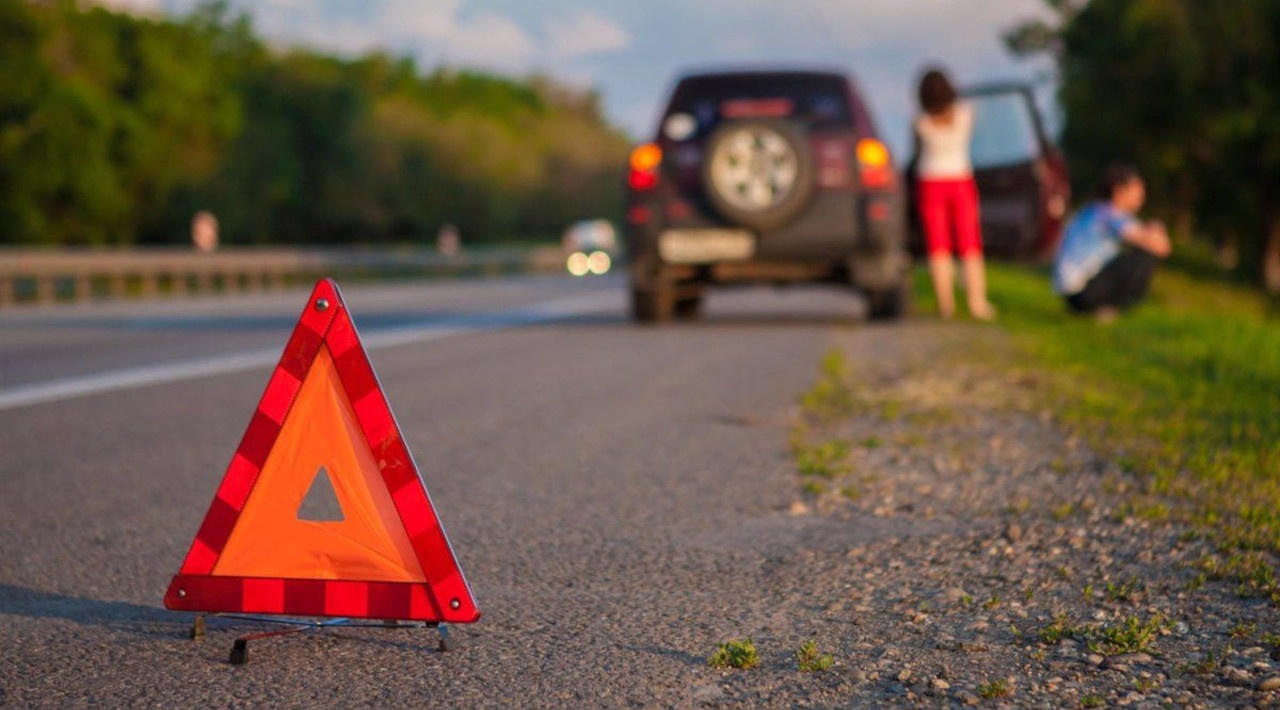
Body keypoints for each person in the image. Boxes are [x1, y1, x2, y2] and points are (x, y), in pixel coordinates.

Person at [914, 67, 995, 321]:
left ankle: (945, 305)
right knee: (970, 244)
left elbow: (915, 154)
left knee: (938, 246)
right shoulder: (965, 115)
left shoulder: (920, 122)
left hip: (930, 182)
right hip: (961, 181)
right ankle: (977, 303)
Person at [1053, 164, 1171, 321]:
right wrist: (1157, 228)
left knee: (1138, 254)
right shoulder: (1109, 213)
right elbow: (1159, 248)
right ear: (1119, 190)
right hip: (1082, 293)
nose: (1141, 197)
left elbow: (1162, 247)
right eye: (1137, 191)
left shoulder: (1095, 209)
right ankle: (1108, 309)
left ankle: (1104, 309)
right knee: (1144, 257)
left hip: (1074, 293)